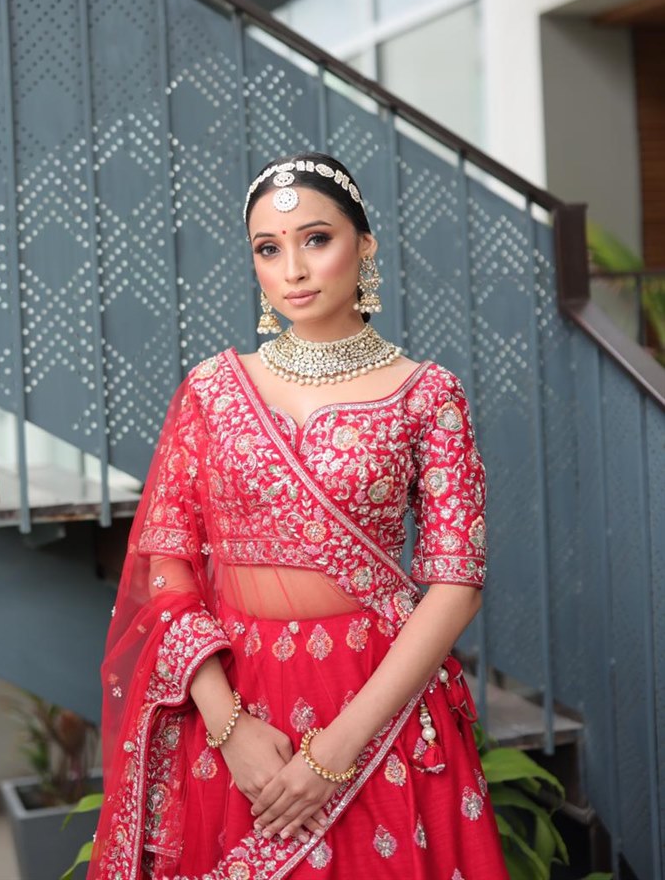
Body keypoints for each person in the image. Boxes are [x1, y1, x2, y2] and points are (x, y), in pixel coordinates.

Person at [88, 153, 508, 879]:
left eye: (316, 239)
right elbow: (169, 567)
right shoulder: (213, 391)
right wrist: (230, 728)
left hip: (377, 702)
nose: (294, 270)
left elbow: (456, 584)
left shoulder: (427, 394)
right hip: (238, 703)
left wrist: (336, 750)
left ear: (364, 246)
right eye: (268, 248)